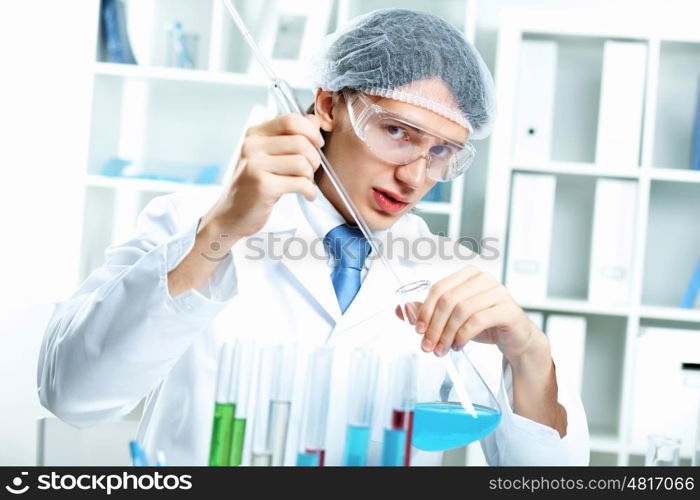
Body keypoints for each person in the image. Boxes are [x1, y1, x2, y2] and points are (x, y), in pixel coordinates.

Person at [38, 9, 589, 466]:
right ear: (328, 105)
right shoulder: (189, 224)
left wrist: (531, 357)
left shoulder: (450, 275)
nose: (415, 176)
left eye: (441, 152)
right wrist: (222, 230)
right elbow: (75, 396)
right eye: (397, 131)